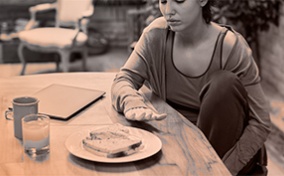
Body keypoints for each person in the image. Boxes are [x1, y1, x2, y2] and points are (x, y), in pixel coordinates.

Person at [111, 0, 271, 175]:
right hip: (180, 151)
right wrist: (132, 102)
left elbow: (260, 123)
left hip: (228, 159)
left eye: (179, 1)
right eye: (163, 1)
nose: (168, 10)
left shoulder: (230, 46)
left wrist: (219, 170)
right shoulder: (156, 35)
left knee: (223, 84)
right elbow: (124, 79)